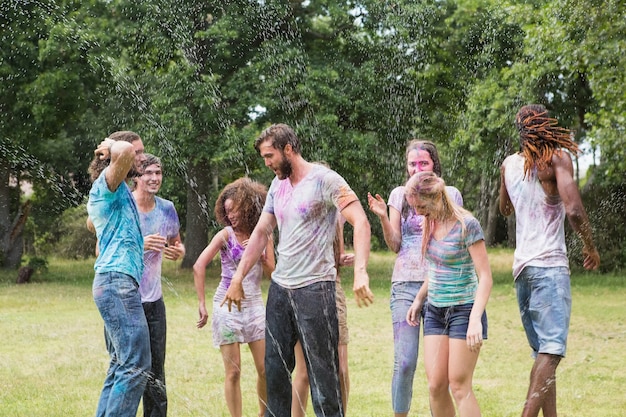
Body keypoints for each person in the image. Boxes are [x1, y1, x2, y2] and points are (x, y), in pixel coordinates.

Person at [222, 123, 374, 417]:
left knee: (323, 374)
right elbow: (262, 231)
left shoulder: (325, 180)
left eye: (270, 156)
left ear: (288, 149)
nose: (267, 164)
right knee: (275, 370)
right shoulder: (278, 185)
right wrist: (238, 276)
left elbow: (361, 222)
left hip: (316, 289)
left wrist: (361, 272)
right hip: (281, 290)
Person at [499, 104, 600, 417]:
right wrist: (589, 245)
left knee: (543, 355)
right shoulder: (556, 158)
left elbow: (504, 209)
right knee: (552, 351)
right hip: (549, 268)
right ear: (547, 127)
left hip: (522, 272)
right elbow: (573, 210)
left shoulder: (509, 165)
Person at [367, 140, 462, 417]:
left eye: (424, 163)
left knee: (438, 371)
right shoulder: (399, 194)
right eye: (412, 164)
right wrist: (384, 218)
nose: (417, 168)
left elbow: (454, 240)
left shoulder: (450, 194)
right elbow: (395, 243)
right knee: (405, 361)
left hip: (441, 284)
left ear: (434, 165)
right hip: (405, 284)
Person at [405, 171, 492, 417]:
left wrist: (475, 319)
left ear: (435, 197)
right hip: (435, 310)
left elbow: (485, 277)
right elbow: (436, 268)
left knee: (459, 385)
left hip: (464, 310)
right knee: (435, 386)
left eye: (421, 206)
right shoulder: (429, 224)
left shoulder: (467, 225)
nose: (418, 212)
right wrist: (420, 298)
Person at [193, 177, 275, 417]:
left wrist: (258, 253)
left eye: (235, 210)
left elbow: (272, 273)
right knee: (234, 372)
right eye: (227, 211)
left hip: (254, 308)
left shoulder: (264, 234)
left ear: (249, 207)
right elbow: (199, 266)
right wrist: (202, 303)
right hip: (227, 308)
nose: (231, 216)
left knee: (265, 368)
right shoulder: (225, 235)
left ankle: (264, 413)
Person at [87, 131, 151, 417]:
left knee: (121, 363)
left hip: (114, 283)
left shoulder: (114, 191)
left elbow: (91, 222)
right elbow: (123, 150)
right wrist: (113, 147)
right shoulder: (107, 184)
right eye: (138, 153)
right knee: (135, 365)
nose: (141, 157)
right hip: (116, 282)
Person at [133, 154, 185, 417]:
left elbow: (176, 242)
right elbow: (101, 250)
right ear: (136, 177)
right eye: (148, 173)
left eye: (158, 172)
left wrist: (179, 251)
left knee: (156, 369)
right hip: (126, 300)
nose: (154, 178)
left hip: (154, 302)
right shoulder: (124, 206)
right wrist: (140, 245)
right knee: (130, 367)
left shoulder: (167, 208)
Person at [291, 215, 353, 417]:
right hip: (301, 289)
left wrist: (344, 259)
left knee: (341, 369)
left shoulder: (336, 215)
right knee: (304, 371)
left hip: (332, 290)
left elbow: (337, 257)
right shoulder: (296, 210)